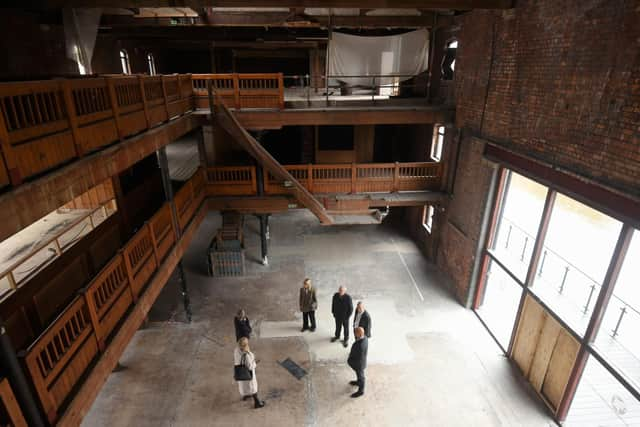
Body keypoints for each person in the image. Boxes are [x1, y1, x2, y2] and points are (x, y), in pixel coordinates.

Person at [234, 337, 265, 408]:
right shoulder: (246, 355)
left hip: (240, 371)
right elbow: (250, 367)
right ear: (246, 345)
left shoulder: (236, 350)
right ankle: (257, 403)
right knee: (252, 387)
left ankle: (245, 395)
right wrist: (255, 363)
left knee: (243, 386)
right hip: (247, 374)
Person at [347, 327, 368, 398]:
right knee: (359, 375)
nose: (355, 335)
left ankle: (361, 391)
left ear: (359, 334)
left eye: (356, 333)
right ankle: (358, 382)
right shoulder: (365, 338)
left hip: (359, 364)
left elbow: (356, 356)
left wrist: (350, 361)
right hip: (360, 363)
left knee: (361, 377)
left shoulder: (360, 345)